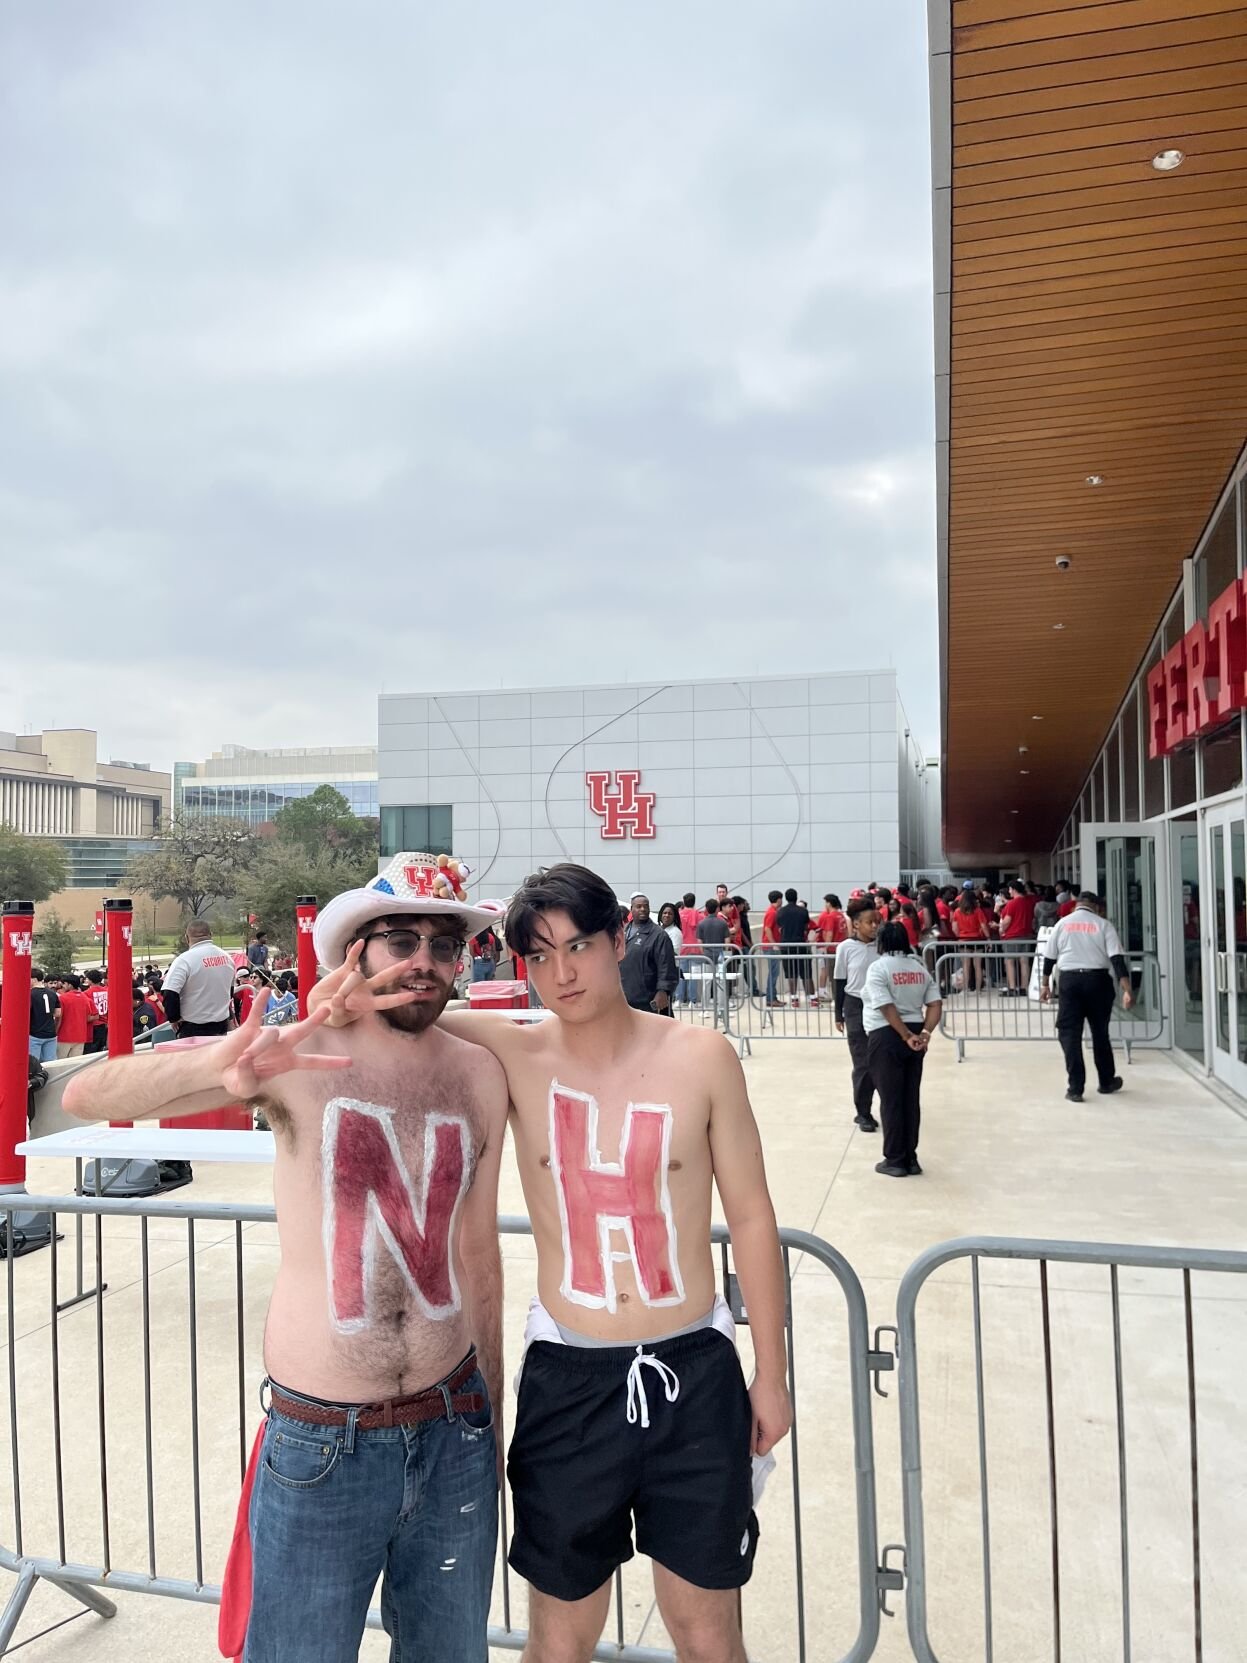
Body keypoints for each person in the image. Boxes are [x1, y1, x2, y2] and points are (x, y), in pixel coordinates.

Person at [312, 861, 792, 1663]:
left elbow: (750, 1216)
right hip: (570, 1377)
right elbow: (400, 1000)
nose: (561, 973)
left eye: (578, 946)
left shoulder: (702, 1056)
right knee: (559, 1639)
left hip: (692, 1372)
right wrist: (346, 985)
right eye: (538, 956)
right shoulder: (512, 1048)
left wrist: (769, 1373)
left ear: (618, 940)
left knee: (708, 1632)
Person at [63, 855, 510, 1663]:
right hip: (324, 1442)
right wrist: (221, 1064)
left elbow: (479, 1258)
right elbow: (85, 1095)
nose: (423, 960)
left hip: (453, 1430)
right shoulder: (298, 1059)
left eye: (443, 945)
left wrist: (492, 1424)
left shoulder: (477, 1074)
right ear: (356, 951)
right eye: (400, 939)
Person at [862, 922, 941, 1177]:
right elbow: (935, 1003)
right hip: (916, 1032)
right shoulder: (918, 968)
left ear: (882, 942)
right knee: (910, 1098)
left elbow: (886, 1006)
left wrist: (905, 1035)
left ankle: (894, 1159)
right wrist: (924, 1033)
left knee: (891, 1099)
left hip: (887, 1035)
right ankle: (910, 1157)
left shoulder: (878, 968)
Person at [1040, 891, 1134, 1102]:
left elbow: (1049, 958)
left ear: (1076, 905)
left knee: (1069, 1034)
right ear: (1097, 907)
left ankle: (1075, 1088)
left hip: (1070, 982)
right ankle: (1106, 1081)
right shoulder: (1104, 925)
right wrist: (1127, 989)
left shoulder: (1062, 924)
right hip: (1098, 981)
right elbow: (1117, 960)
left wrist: (1045, 985)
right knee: (1100, 1033)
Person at [833, 898, 881, 1132]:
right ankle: (863, 1112)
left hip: (881, 1006)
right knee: (862, 1061)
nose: (874, 926)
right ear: (856, 924)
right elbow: (839, 981)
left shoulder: (883, 946)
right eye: (869, 922)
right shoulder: (845, 948)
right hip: (855, 1006)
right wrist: (838, 1014)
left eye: (877, 922)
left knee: (881, 1060)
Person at [163, 921, 240, 1037]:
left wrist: (174, 1018)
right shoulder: (227, 958)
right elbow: (229, 991)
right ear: (211, 934)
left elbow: (169, 992)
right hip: (221, 1024)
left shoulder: (184, 960)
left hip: (194, 1028)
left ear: (186, 938)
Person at [620, 893, 678, 1015]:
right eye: (639, 906)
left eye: (645, 906)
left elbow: (666, 965)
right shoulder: (623, 932)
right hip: (624, 996)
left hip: (647, 998)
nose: (643, 909)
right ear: (631, 909)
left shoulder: (659, 935)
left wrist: (663, 991)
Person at [774, 888, 812, 1007]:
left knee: (791, 973)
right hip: (801, 944)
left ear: (786, 898)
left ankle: (794, 998)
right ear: (796, 897)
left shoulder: (780, 912)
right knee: (806, 972)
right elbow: (806, 926)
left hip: (786, 945)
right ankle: (812, 998)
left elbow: (779, 925)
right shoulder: (803, 911)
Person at [28, 967, 60, 1063]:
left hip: (35, 1033)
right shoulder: (53, 993)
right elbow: (58, 1013)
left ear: (34, 979)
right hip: (50, 1032)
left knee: (34, 1063)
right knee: (50, 1063)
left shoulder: (30, 994)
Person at [55, 973, 91, 1058]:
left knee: (60, 1062)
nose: (63, 986)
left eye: (64, 984)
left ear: (70, 985)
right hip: (81, 1035)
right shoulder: (85, 998)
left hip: (64, 1035)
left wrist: (55, 1031)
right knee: (76, 1063)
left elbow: (59, 1017)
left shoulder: (62, 998)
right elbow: (88, 1016)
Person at [760, 888, 784, 1006]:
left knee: (774, 972)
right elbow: (767, 929)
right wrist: (774, 944)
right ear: (778, 900)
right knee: (774, 973)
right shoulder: (772, 913)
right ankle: (770, 998)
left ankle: (773, 997)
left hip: (770, 946)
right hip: (770, 947)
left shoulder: (773, 911)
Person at [83, 968, 109, 1053]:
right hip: (104, 1023)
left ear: (90, 980)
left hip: (92, 1024)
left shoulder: (86, 993)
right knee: (101, 1049)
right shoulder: (107, 991)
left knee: (90, 1050)